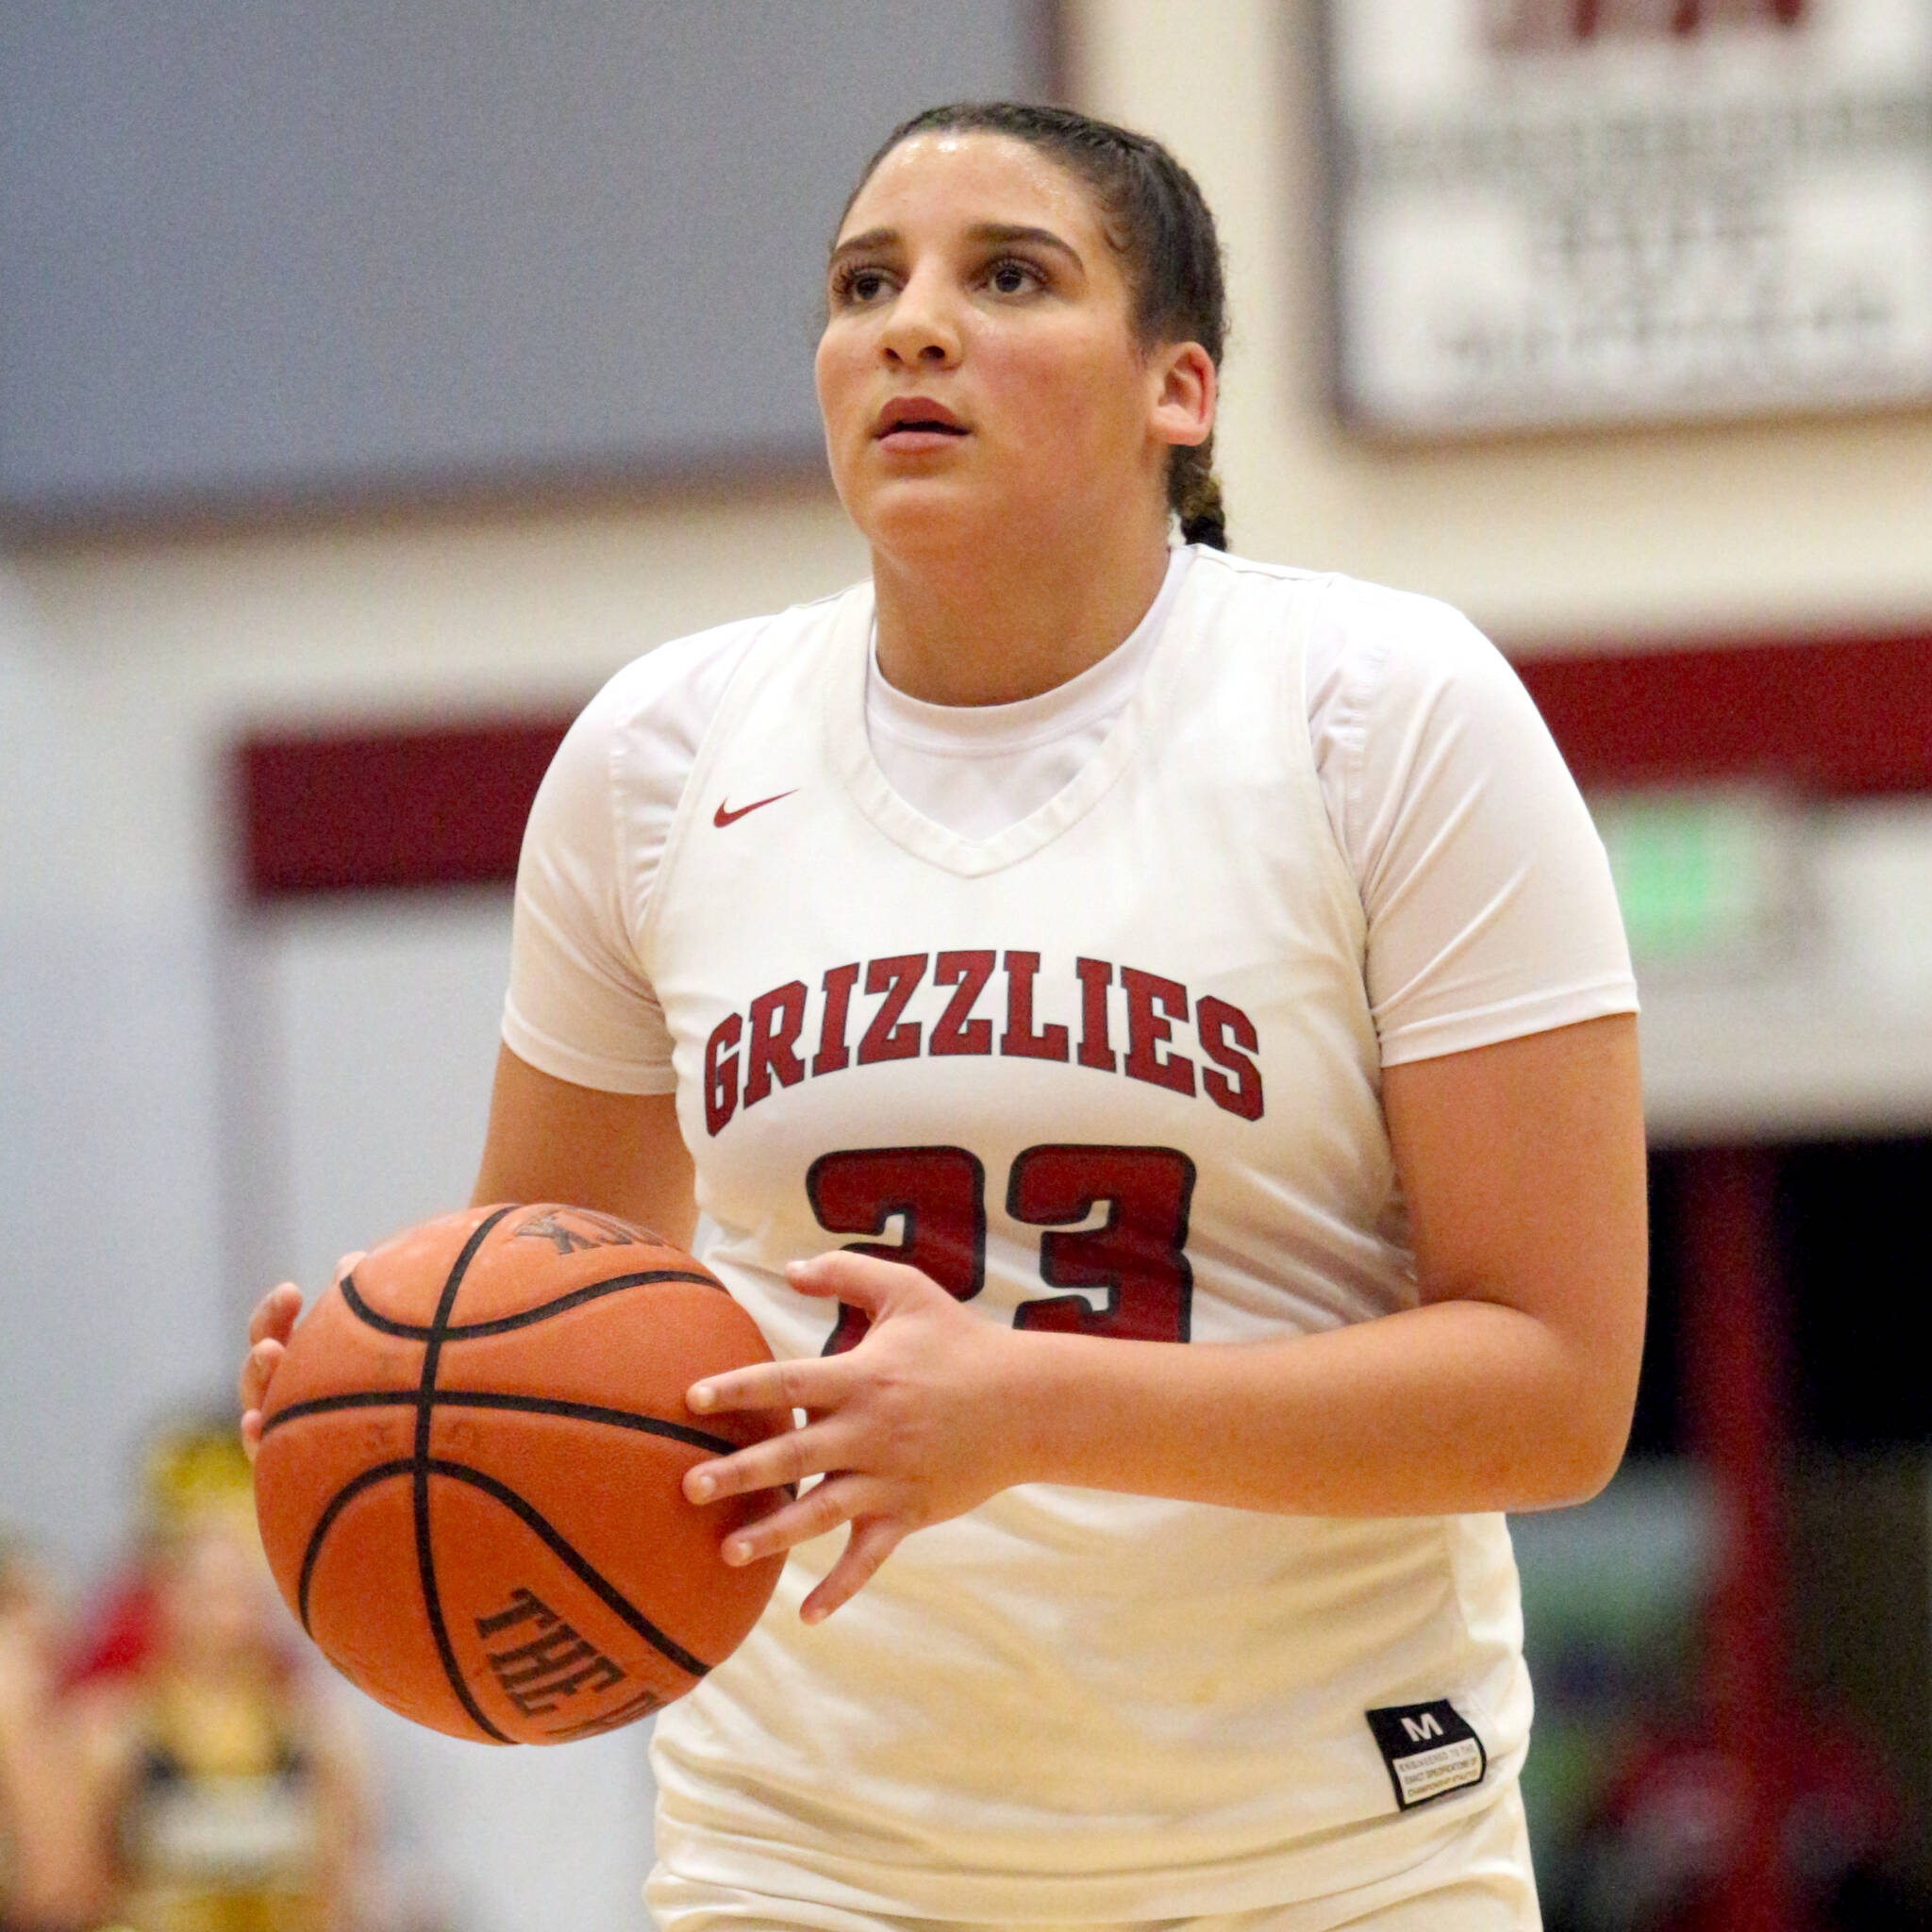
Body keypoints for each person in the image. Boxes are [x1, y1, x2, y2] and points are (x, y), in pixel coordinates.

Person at [240, 101, 1646, 1931]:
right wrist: (394, 1400)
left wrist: (1022, 1405)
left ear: (1181, 391)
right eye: (862, 283)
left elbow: (1551, 1389)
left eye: (1008, 276)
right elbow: (544, 1299)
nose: (912, 323)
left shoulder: (1382, 713)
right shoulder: (660, 757)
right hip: (809, 1852)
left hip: (1321, 1853)